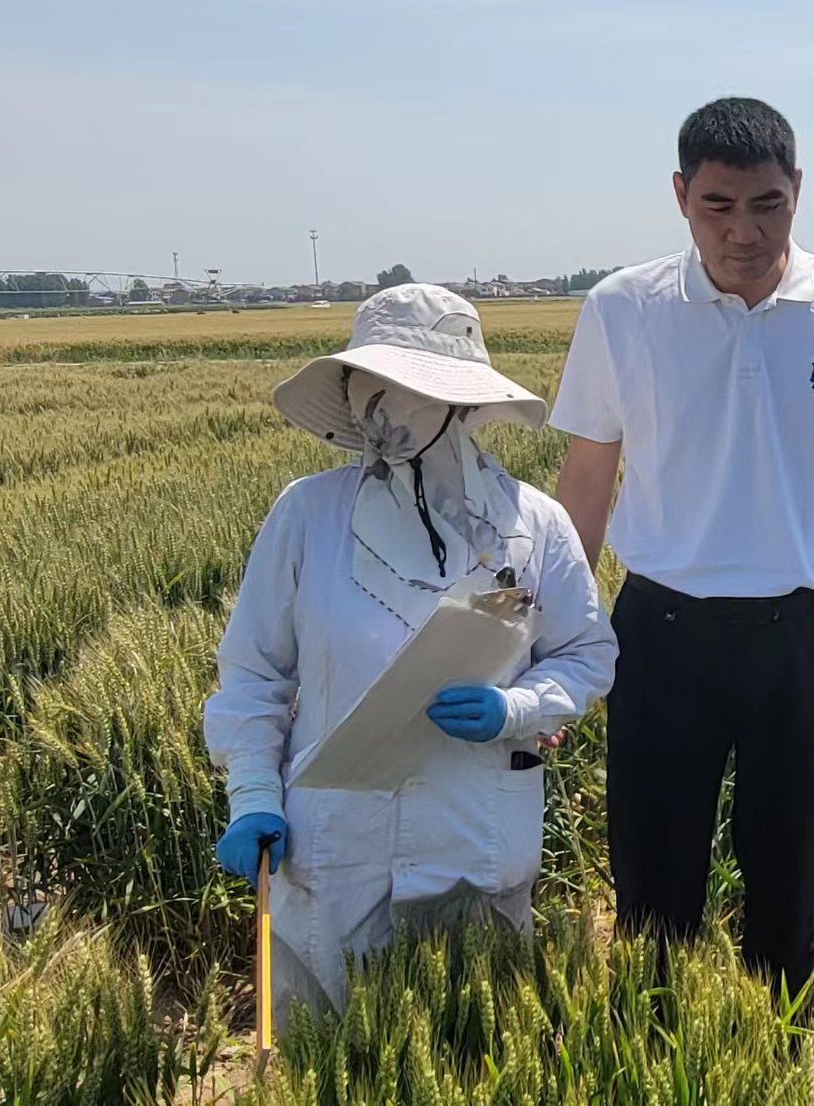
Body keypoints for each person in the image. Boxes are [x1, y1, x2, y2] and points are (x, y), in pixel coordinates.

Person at [550, 96, 814, 1001]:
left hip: (807, 636)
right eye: (718, 206)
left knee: (790, 877)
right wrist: (551, 640)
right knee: (652, 883)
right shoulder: (623, 309)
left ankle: (775, 1051)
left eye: (768, 205)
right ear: (680, 195)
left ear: (797, 189)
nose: (744, 232)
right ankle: (656, 1051)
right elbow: (587, 482)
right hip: (660, 636)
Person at [202, 283, 617, 1014]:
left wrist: (518, 708)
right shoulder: (307, 514)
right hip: (335, 847)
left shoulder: (537, 524)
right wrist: (254, 795)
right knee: (325, 1051)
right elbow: (254, 674)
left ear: (458, 403)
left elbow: (587, 653)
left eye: (403, 388)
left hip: (475, 836)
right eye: (365, 384)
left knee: (472, 1046)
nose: (378, 407)